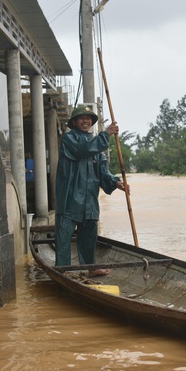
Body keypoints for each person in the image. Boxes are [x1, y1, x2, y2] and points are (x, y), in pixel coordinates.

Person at [55, 105, 127, 276]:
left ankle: (91, 268)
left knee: (89, 236)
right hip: (70, 199)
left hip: (89, 201)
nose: (86, 121)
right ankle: (63, 271)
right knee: (64, 238)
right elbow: (82, 151)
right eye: (82, 118)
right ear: (74, 122)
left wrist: (116, 182)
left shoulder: (96, 146)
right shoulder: (69, 139)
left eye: (89, 118)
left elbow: (103, 171)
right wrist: (105, 134)